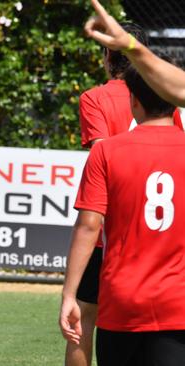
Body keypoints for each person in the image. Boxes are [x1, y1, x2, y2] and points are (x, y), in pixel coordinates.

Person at [60, 63, 185, 366]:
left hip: (122, 301)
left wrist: (68, 295)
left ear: (134, 101)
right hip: (177, 302)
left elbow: (88, 226)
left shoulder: (106, 152)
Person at [67, 22, 148, 366]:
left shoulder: (94, 98)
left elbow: (104, 156)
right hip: (151, 225)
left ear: (107, 56)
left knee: (83, 315)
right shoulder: (161, 98)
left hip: (106, 226)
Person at [85, 0, 185, 107]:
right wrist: (131, 46)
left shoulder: (93, 98)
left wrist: (131, 46)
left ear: (108, 54)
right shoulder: (160, 94)